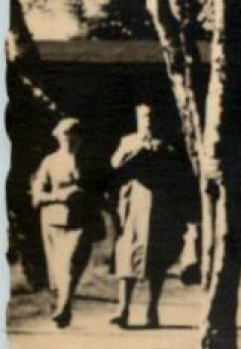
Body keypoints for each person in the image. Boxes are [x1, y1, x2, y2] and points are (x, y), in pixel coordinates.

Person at [108, 104, 185, 329]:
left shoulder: (167, 144)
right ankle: (123, 308)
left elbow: (177, 173)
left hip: (162, 208)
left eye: (151, 116)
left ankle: (152, 308)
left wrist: (161, 153)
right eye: (144, 116)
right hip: (134, 208)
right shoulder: (128, 141)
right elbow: (115, 164)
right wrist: (136, 151)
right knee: (127, 257)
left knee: (157, 259)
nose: (148, 120)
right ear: (138, 119)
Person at [31, 118, 99, 328]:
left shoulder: (90, 162)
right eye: (65, 136)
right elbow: (37, 197)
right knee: (62, 268)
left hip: (82, 220)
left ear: (80, 138)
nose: (69, 141)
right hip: (54, 222)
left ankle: (63, 305)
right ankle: (64, 305)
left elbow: (102, 189)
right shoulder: (49, 162)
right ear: (58, 138)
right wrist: (61, 196)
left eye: (74, 136)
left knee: (71, 264)